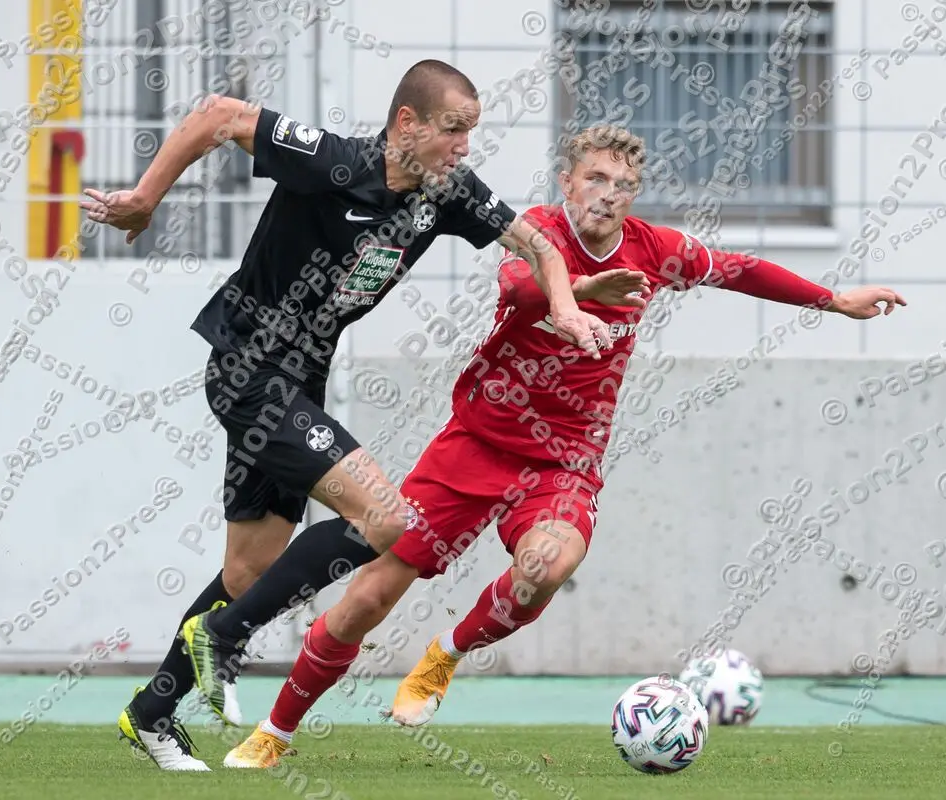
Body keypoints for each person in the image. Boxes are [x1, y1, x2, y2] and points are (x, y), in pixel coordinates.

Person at [211, 123, 907, 768]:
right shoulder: (539, 232)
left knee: (545, 565)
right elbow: (518, 288)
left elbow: (738, 268)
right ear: (568, 183)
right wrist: (579, 289)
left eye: (623, 184)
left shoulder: (655, 250)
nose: (608, 193)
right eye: (595, 178)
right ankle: (276, 732)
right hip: (474, 443)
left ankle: (444, 656)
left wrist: (833, 300)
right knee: (368, 597)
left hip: (563, 460)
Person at [81, 59, 611, 772]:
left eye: (471, 132)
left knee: (249, 568)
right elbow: (218, 115)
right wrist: (146, 199)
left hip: (300, 384)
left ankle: (151, 712)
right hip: (248, 369)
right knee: (387, 520)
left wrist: (567, 307)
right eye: (453, 130)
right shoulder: (332, 162)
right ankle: (225, 637)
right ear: (406, 124)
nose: (464, 147)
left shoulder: (448, 191)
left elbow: (539, 244)